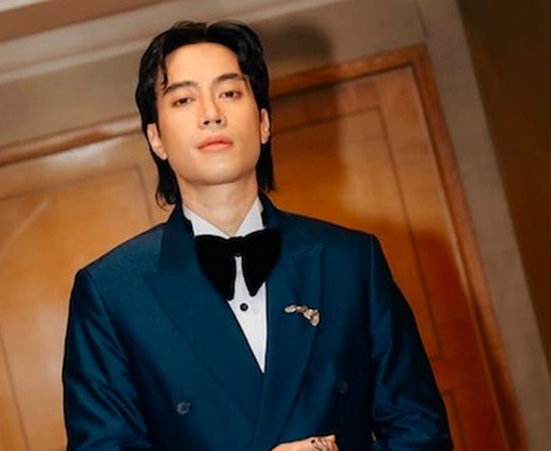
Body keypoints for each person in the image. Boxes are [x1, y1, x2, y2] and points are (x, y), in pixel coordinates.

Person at [62, 20, 452, 451]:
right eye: (184, 99)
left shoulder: (351, 261)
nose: (212, 113)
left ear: (264, 122)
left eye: (230, 92)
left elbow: (422, 431)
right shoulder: (112, 292)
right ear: (156, 138)